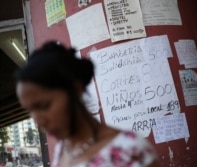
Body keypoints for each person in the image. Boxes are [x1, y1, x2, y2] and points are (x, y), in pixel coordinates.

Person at [15, 41, 160, 167]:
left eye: (44, 105)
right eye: (30, 111)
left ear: (76, 89)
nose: (39, 121)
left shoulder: (130, 150)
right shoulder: (63, 148)